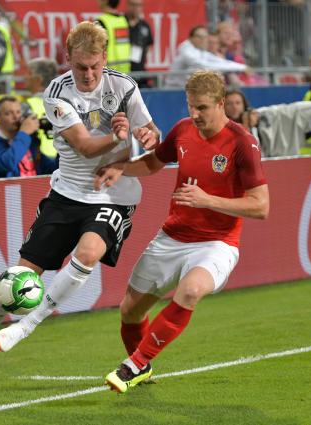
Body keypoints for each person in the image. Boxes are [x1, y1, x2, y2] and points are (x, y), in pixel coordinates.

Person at [0, 21, 161, 370]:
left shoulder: (123, 86)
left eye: (94, 66)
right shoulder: (57, 92)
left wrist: (146, 139)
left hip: (113, 196)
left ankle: (28, 324)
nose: (88, 74)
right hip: (67, 193)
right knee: (20, 273)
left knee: (89, 252)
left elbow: (152, 134)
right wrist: (118, 136)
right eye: (80, 67)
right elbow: (86, 146)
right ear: (68, 59)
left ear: (104, 58)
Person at [96, 70, 269, 393]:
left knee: (190, 291)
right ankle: (142, 367)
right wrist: (120, 167)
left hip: (217, 243)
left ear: (221, 104)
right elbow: (152, 164)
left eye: (202, 107)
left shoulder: (242, 142)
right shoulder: (183, 130)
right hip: (172, 236)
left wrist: (207, 200)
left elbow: (261, 206)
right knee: (130, 311)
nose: (195, 114)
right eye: (191, 106)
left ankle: (131, 366)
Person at [0, 96, 57, 179]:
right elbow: (9, 162)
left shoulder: (27, 141)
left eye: (18, 112)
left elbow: (52, 169)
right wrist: (24, 133)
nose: (16, 117)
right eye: (8, 113)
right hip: (7, 192)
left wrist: (64, 141)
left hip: (32, 190)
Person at [165, 25, 247, 88]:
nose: (203, 39)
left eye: (205, 37)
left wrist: (242, 66)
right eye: (199, 37)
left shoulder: (200, 50)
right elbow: (202, 65)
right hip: (173, 90)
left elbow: (217, 60)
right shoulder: (186, 50)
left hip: (187, 91)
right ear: (191, 38)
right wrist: (241, 68)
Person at [23, 57, 60, 160]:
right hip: (64, 159)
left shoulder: (28, 105)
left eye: (29, 73)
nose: (24, 77)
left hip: (40, 160)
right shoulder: (66, 102)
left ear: (38, 79)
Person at [96, 0, 131, 73]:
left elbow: (95, 49)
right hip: (125, 70)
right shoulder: (124, 20)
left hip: (109, 72)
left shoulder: (101, 21)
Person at [125, 0, 154, 87]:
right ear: (127, 5)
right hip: (122, 72)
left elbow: (149, 45)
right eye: (133, 5)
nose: (136, 8)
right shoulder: (120, 22)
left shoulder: (145, 26)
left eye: (139, 5)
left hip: (140, 73)